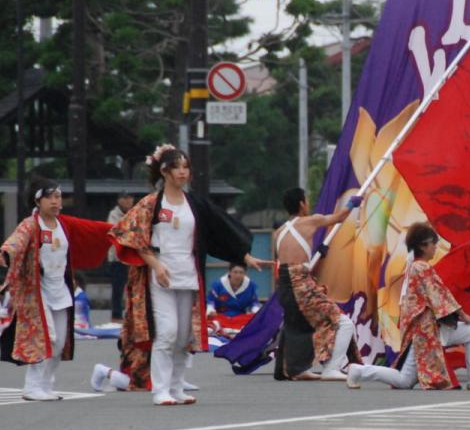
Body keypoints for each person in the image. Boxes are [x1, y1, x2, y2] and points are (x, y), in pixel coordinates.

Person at [112, 144, 269, 406]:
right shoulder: (151, 203)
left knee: (185, 335)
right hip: (161, 276)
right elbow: (132, 237)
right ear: (164, 171)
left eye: (186, 167)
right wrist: (156, 266)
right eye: (178, 167)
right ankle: (160, 389)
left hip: (189, 274)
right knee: (167, 332)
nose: (184, 172)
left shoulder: (194, 204)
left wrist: (244, 255)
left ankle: (177, 387)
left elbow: (221, 230)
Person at [0, 178, 115, 401]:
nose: (55, 201)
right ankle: (31, 387)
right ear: (38, 200)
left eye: (58, 196)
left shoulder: (64, 224)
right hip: (36, 292)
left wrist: (117, 229)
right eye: (50, 197)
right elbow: (15, 243)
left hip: (60, 289)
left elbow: (92, 229)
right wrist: (7, 255)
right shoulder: (31, 224)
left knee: (60, 340)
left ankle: (46, 384)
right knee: (45, 337)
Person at [347, 222, 470, 391]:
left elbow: (439, 294)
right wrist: (463, 315)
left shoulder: (416, 266)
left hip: (431, 327)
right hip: (423, 332)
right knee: (405, 381)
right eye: (433, 244)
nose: (435, 247)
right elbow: (439, 295)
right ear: (423, 246)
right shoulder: (421, 267)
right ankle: (360, 370)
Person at [273, 187, 362, 381]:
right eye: (307, 200)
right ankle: (332, 368)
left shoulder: (278, 233)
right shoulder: (311, 220)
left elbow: (281, 263)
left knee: (296, 324)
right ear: (302, 204)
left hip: (284, 284)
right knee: (343, 323)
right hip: (300, 284)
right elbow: (338, 218)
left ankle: (294, 369)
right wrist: (351, 204)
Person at [106, 192, 135, 321]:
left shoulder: (136, 212)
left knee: (134, 287)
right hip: (117, 257)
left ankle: (134, 315)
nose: (127, 201)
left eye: (129, 198)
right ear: (119, 200)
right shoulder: (114, 214)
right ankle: (116, 315)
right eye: (124, 198)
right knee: (117, 288)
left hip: (134, 256)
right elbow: (115, 231)